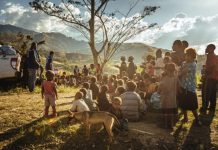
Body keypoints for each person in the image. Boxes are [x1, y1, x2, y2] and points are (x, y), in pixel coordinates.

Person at [178, 48, 201, 125]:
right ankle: (185, 118)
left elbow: (181, 73)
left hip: (190, 88)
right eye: (186, 55)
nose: (186, 57)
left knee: (193, 105)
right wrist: (180, 72)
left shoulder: (193, 64)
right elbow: (180, 72)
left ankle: (197, 119)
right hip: (183, 86)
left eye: (188, 56)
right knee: (183, 104)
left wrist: (180, 72)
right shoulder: (184, 63)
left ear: (193, 56)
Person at [158, 63, 178, 128]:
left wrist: (158, 92)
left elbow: (159, 88)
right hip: (173, 98)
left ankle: (166, 124)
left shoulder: (164, 78)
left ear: (167, 70)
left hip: (165, 98)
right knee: (172, 112)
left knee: (166, 112)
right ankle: (172, 124)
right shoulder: (176, 78)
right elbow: (179, 87)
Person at [201, 44, 218, 113]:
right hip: (215, 77)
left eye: (208, 47)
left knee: (206, 93)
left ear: (212, 48)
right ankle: (212, 108)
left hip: (210, 77)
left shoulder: (211, 56)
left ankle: (204, 107)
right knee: (213, 93)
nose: (206, 48)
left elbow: (212, 66)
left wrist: (206, 74)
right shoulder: (214, 56)